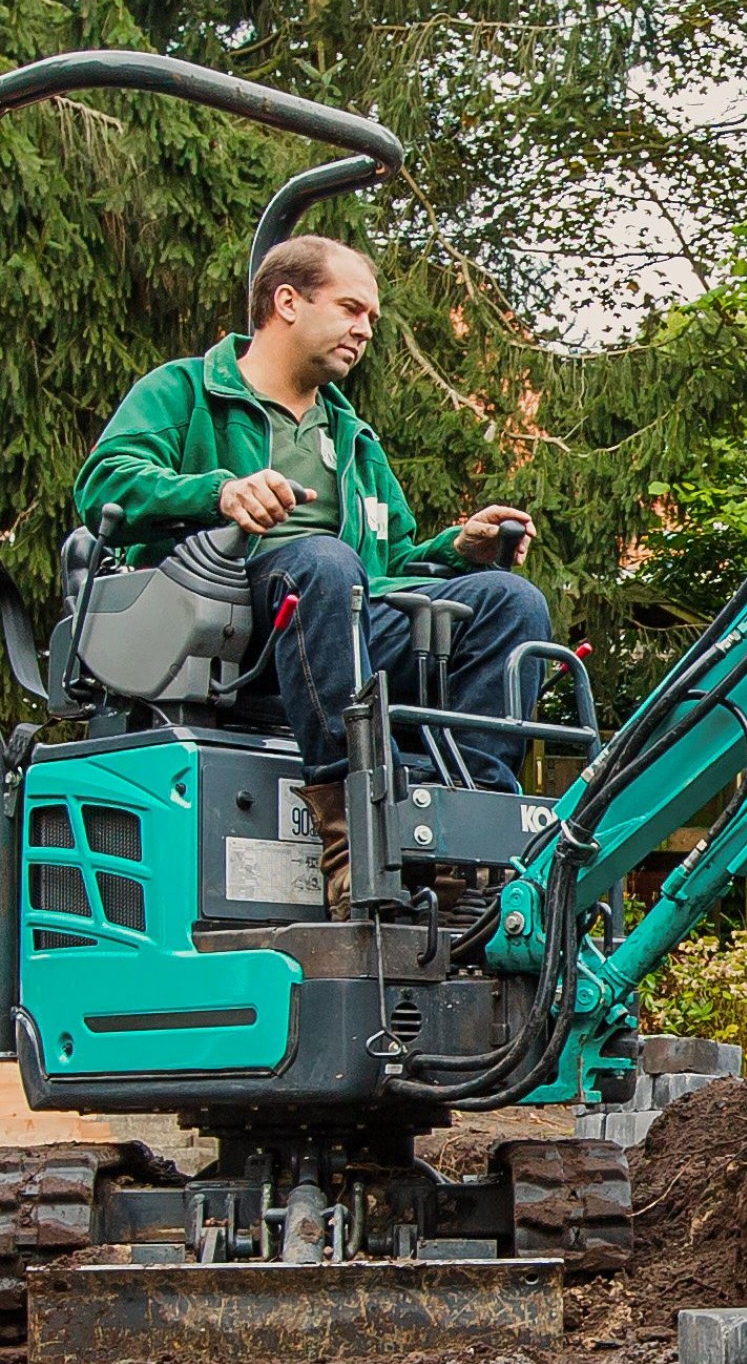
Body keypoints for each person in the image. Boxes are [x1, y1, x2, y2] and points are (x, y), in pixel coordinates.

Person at [74, 234, 549, 916]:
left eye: (373, 320)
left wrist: (456, 553)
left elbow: (390, 569)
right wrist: (219, 494)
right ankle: (354, 830)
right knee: (325, 563)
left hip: (343, 619)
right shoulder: (185, 392)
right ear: (287, 301)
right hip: (232, 628)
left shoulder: (352, 437)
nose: (365, 329)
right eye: (352, 308)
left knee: (509, 601)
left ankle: (467, 845)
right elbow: (105, 484)